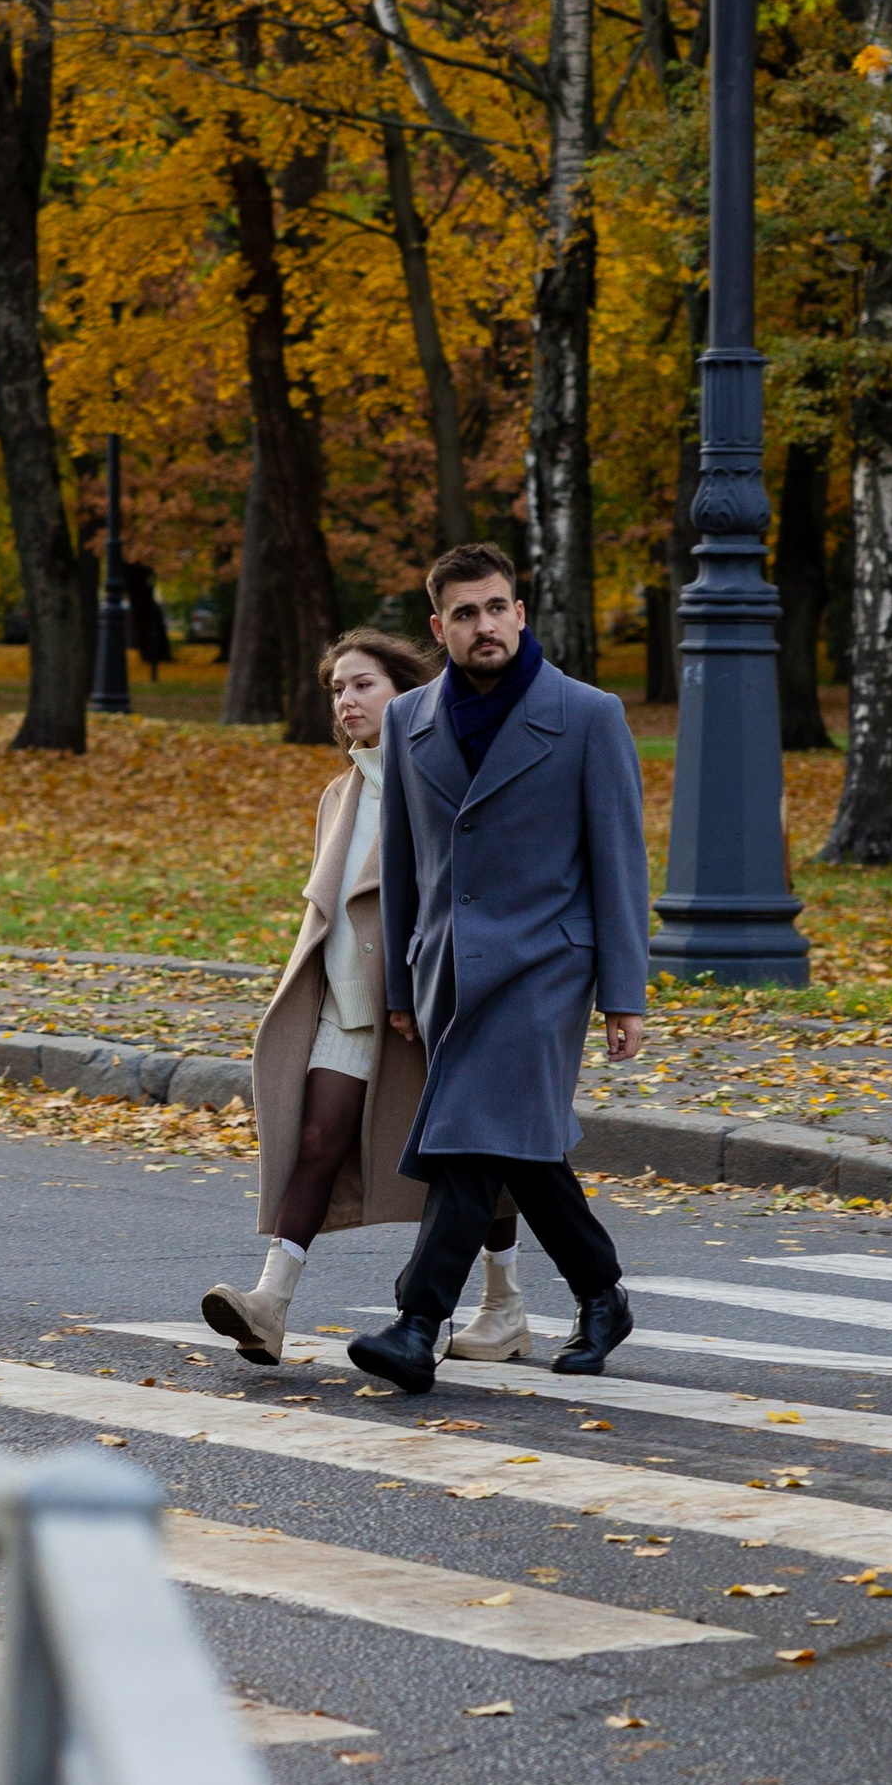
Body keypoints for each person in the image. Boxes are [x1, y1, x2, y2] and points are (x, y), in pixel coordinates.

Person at [347, 543, 650, 1398]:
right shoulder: (411, 721)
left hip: (549, 962)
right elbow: (401, 863)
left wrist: (624, 992)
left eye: (499, 607)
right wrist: (404, 985)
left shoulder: (589, 715)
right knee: (516, 1145)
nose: (487, 626)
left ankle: (417, 1321)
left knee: (474, 1134)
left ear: (521, 612)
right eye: (467, 614)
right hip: (448, 968)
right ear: (440, 628)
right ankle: (601, 1294)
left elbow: (619, 860)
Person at [200, 625, 530, 1366]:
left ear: (407, 690)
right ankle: (270, 1304)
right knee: (315, 1142)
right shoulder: (339, 795)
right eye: (337, 690)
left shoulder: (448, 777)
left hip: (435, 1005)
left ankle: (504, 1304)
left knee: (475, 1162)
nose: (346, 701)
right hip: (349, 1003)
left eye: (362, 684)